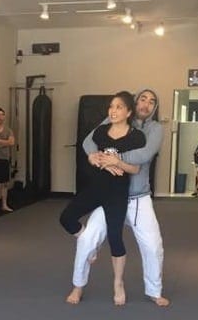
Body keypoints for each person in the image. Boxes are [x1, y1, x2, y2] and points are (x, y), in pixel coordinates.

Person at [68, 88, 170, 307]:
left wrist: (112, 157)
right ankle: (78, 285)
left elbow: (145, 154)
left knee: (153, 246)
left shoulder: (154, 129)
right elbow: (88, 142)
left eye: (152, 102)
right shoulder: (116, 119)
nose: (146, 104)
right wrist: (94, 156)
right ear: (133, 104)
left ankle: (154, 291)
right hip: (110, 195)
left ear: (154, 108)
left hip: (138, 198)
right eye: (143, 99)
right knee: (86, 240)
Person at [60, 91, 145, 306]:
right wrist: (97, 159)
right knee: (66, 218)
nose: (113, 111)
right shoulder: (100, 132)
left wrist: (115, 162)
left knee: (115, 238)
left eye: (118, 107)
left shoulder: (136, 136)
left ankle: (118, 283)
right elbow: (93, 156)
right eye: (111, 107)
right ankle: (88, 246)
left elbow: (135, 168)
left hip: (117, 193)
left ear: (128, 112)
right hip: (96, 188)